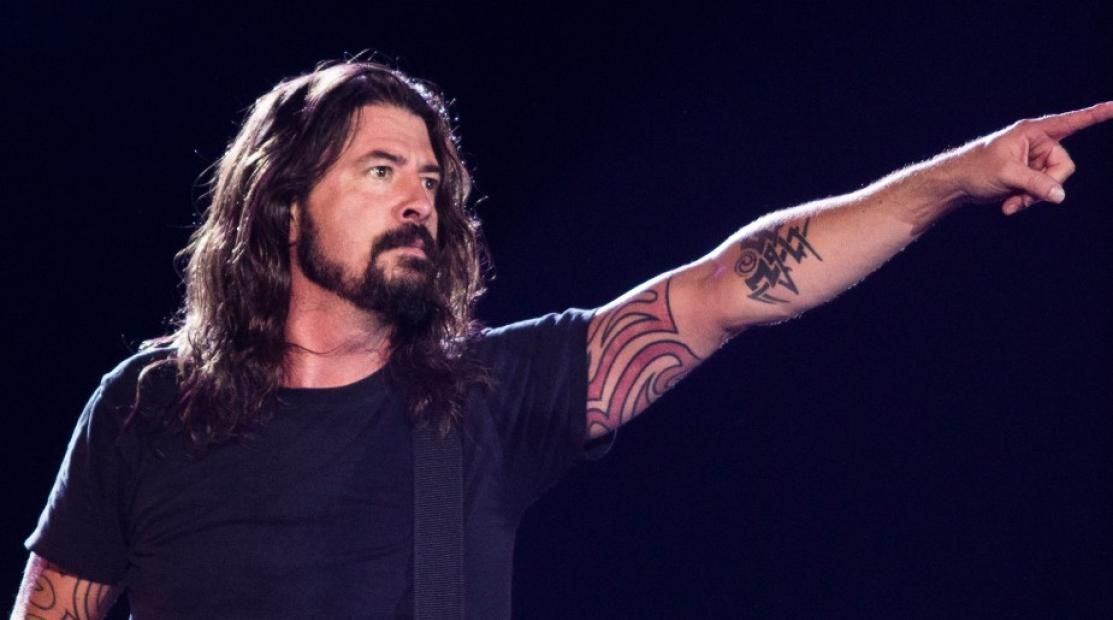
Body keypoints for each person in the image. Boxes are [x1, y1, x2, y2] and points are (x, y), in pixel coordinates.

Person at [12, 59, 1111, 619]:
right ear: (282, 206)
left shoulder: (486, 397)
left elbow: (729, 287)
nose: (420, 200)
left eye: (431, 178)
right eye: (381, 170)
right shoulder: (146, 408)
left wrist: (958, 175)